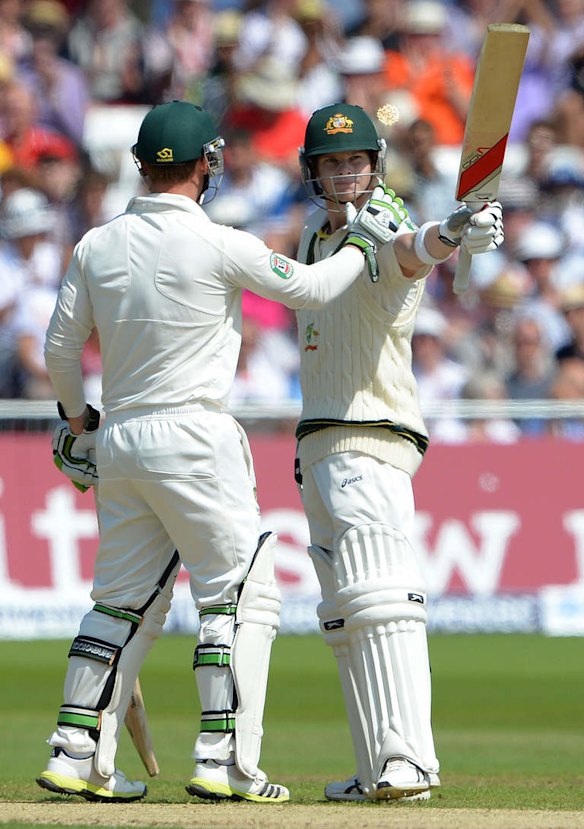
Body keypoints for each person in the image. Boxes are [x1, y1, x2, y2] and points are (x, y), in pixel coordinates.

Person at [37, 99, 405, 804]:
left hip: (120, 439)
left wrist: (80, 422)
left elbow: (60, 349)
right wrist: (364, 243)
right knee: (239, 594)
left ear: (143, 165)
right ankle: (225, 760)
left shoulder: (95, 244)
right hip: (196, 437)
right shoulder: (220, 241)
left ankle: (75, 751)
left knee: (118, 604)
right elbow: (311, 289)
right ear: (205, 163)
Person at [293, 102, 504, 802]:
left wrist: (452, 231)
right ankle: (371, 765)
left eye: (355, 161)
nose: (345, 172)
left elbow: (412, 249)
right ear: (314, 171)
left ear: (373, 165)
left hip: (370, 439)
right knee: (345, 618)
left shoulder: (380, 222)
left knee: (383, 602)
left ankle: (407, 761)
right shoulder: (312, 238)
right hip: (320, 443)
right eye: (331, 162)